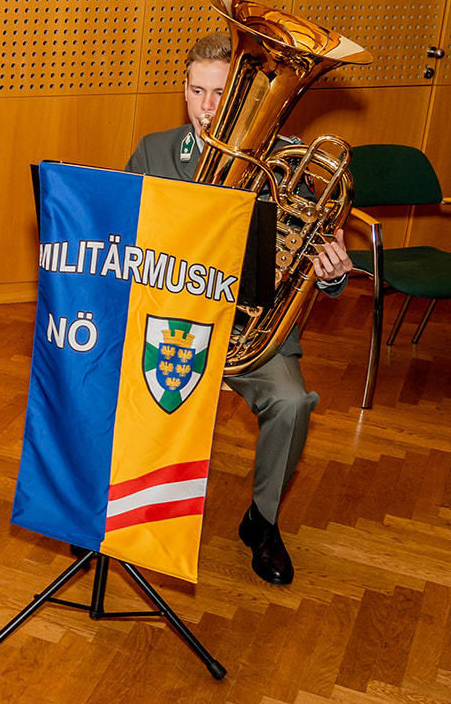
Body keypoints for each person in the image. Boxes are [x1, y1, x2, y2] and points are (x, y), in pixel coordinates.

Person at [125, 32, 352, 585]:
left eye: (219, 94)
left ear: (241, 101)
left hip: (250, 333)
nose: (206, 108)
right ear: (184, 92)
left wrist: (332, 274)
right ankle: (128, 506)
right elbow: (118, 245)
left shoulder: (288, 165)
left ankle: (264, 520)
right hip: (166, 325)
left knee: (293, 402)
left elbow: (311, 265)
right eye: (197, 92)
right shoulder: (154, 152)